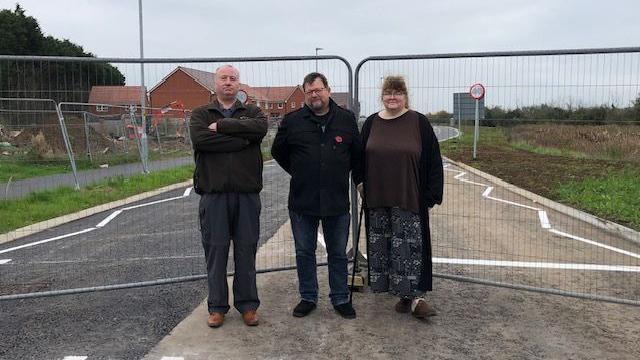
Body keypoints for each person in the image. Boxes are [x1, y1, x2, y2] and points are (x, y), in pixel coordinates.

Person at [271, 72, 363, 319]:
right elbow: (278, 151)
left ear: (328, 90)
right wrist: (300, 171)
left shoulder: (346, 119)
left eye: (319, 89)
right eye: (310, 91)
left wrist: (357, 179)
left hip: (336, 201)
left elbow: (357, 155)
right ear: (305, 94)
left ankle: (340, 298)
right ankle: (308, 296)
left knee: (337, 253)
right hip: (303, 200)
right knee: (304, 252)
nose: (315, 95)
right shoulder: (292, 121)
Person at [190, 65, 268, 328]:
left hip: (246, 195)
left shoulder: (253, 112)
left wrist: (222, 126)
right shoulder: (201, 114)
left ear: (238, 84)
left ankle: (248, 306)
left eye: (233, 79)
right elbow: (201, 141)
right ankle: (217, 307)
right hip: (214, 196)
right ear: (215, 83)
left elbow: (259, 130)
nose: (228, 82)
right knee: (216, 252)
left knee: (246, 251)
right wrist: (241, 140)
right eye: (224, 78)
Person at [360, 75, 443, 318]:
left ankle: (416, 298)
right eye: (388, 92)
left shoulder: (419, 123)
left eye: (397, 92)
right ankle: (400, 296)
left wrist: (430, 196)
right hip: (377, 200)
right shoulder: (371, 123)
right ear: (382, 96)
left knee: (411, 250)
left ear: (405, 96)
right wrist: (359, 182)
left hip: (409, 199)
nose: (392, 97)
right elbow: (359, 157)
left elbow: (434, 162)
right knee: (383, 249)